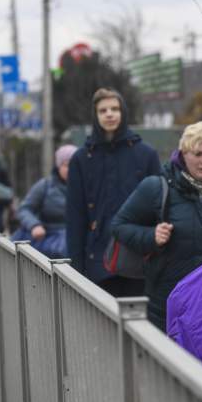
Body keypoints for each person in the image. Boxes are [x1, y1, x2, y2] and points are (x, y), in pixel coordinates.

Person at [111, 121, 202, 331]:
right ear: (183, 153)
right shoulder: (156, 187)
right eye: (197, 153)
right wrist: (151, 237)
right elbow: (119, 225)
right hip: (165, 307)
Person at [66, 88, 161, 296]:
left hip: (139, 260)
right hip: (97, 262)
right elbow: (75, 217)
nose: (109, 114)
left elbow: (160, 208)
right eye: (103, 110)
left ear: (123, 112)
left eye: (115, 109)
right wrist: (76, 270)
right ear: (95, 115)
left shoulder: (146, 154)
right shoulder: (81, 159)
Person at [11, 144, 78, 259]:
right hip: (48, 238)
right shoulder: (45, 186)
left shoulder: (87, 188)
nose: (71, 169)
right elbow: (24, 209)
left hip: (76, 238)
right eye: (66, 165)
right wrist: (34, 225)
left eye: (75, 165)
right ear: (58, 166)